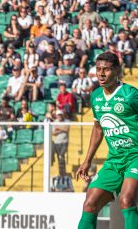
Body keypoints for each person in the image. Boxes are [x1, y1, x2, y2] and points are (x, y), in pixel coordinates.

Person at [76, 52, 138, 229]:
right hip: (114, 160)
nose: (101, 74)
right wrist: (87, 161)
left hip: (135, 156)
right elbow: (98, 129)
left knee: (126, 199)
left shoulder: (130, 94)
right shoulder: (96, 97)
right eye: (98, 69)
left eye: (107, 70)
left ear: (117, 70)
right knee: (89, 203)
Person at [52, 110, 69, 176]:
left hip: (64, 142)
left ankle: (63, 171)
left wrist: (58, 128)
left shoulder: (67, 121)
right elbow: (53, 133)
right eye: (58, 115)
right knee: (59, 158)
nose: (59, 116)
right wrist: (62, 129)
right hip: (57, 142)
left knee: (61, 156)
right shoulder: (55, 122)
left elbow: (67, 129)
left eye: (60, 115)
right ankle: (61, 172)